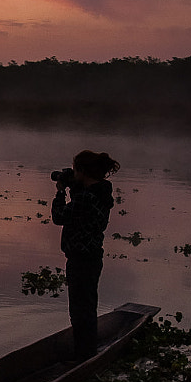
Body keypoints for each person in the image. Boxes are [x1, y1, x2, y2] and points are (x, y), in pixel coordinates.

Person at [51, 149, 120, 362]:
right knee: (87, 307)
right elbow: (81, 213)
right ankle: (87, 352)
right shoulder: (100, 193)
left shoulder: (86, 198)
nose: (72, 174)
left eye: (74, 170)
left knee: (80, 311)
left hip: (81, 260)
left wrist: (60, 192)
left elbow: (59, 217)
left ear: (82, 171)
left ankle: (84, 356)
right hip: (92, 257)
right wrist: (75, 187)